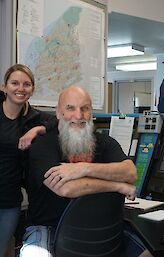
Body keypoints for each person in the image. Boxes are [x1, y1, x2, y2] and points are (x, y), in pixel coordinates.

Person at [20, 86, 152, 257]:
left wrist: (82, 168)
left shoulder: (105, 143)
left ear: (91, 112)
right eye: (70, 108)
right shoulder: (43, 145)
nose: (79, 115)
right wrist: (117, 186)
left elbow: (130, 172)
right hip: (50, 227)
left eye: (85, 108)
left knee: (152, 252)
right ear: (58, 113)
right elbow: (66, 188)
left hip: (102, 228)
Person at [0, 64, 56, 257]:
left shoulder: (33, 119)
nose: (20, 89)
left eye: (26, 84)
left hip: (9, 202)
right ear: (4, 86)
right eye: (14, 83)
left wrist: (37, 130)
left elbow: (59, 122)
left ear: (32, 89)